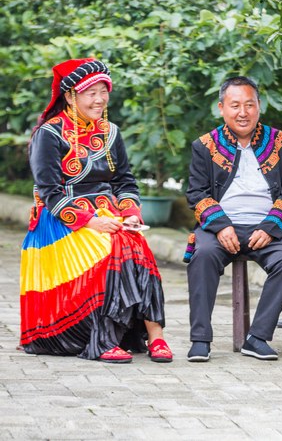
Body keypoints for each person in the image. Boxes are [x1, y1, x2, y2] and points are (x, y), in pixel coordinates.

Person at [20, 57, 171, 363]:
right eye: (91, 92)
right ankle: (102, 340)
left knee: (137, 246)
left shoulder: (110, 132)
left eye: (104, 91)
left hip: (108, 215)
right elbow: (50, 193)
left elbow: (125, 181)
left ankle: (156, 337)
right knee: (111, 248)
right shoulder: (49, 135)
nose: (100, 99)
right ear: (71, 95)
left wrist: (129, 212)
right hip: (62, 219)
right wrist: (91, 221)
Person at [184, 76, 282, 362]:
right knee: (203, 254)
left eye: (249, 105)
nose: (243, 112)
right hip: (219, 226)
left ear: (259, 106)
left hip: (267, 226)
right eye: (235, 105)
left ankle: (257, 337)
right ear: (221, 107)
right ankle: (200, 339)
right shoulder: (205, 145)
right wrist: (221, 225)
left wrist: (271, 227)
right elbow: (196, 193)